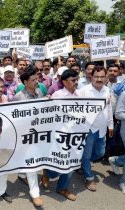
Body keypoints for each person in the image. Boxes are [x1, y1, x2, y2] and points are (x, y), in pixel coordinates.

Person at [42, 69, 79, 201]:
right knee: (58, 163)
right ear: (64, 81)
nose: (76, 82)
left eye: (77, 80)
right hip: (59, 134)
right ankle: (48, 171)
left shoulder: (79, 95)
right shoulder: (57, 95)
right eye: (73, 80)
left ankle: (62, 188)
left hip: (74, 134)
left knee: (70, 162)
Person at [12, 67, 43, 207]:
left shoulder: (39, 92)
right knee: (31, 161)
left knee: (30, 159)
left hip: (38, 133)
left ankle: (21, 175)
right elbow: (12, 116)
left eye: (37, 79)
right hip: (24, 134)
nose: (37, 82)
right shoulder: (18, 97)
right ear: (25, 82)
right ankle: (35, 193)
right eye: (33, 80)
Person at [79, 66, 114, 192]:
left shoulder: (107, 90)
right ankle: (89, 178)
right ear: (91, 77)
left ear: (105, 78)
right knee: (87, 155)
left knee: (100, 153)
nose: (99, 79)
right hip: (88, 129)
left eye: (102, 77)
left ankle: (83, 164)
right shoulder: (84, 91)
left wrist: (110, 125)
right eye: (96, 76)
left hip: (102, 129)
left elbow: (109, 108)